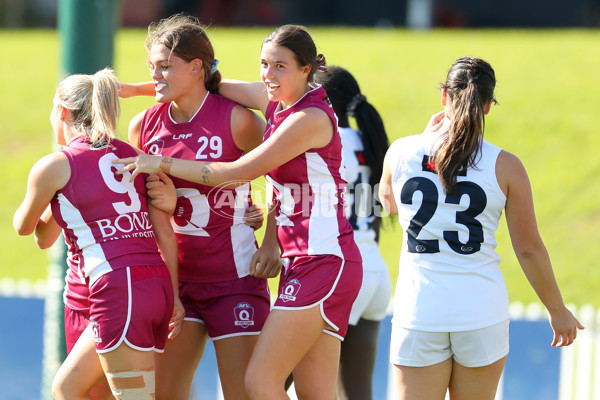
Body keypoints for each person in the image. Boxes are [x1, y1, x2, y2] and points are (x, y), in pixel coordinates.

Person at [114, 24, 363, 400]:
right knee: (315, 394)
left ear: (306, 69)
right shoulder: (276, 98)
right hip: (305, 259)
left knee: (258, 383)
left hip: (322, 258)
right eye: (264, 64)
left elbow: (235, 172)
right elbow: (205, 80)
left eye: (280, 66)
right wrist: (136, 90)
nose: (268, 74)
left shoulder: (306, 118)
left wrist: (160, 162)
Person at [378, 56, 584, 400]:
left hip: (419, 311)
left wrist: (424, 139)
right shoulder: (506, 165)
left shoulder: (401, 151)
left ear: (444, 96)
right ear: (488, 106)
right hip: (480, 312)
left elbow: (388, 204)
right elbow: (529, 248)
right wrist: (556, 309)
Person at [120, 14, 275, 400]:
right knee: (164, 394)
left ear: (196, 67)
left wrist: (271, 237)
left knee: (244, 394)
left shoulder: (238, 120)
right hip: (176, 283)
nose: (155, 76)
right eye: (152, 68)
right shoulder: (143, 126)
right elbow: (148, 206)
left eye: (165, 67)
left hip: (234, 278)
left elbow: (283, 180)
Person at [13, 68, 183, 400]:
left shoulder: (55, 166)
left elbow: (24, 227)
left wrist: (49, 188)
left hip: (121, 288)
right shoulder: (132, 155)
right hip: (149, 285)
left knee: (72, 389)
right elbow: (163, 232)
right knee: (93, 393)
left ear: (61, 111)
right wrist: (174, 295)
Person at [316, 65, 392, 400]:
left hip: (341, 274)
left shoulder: (324, 140)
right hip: (374, 273)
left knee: (268, 380)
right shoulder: (369, 139)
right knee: (357, 392)